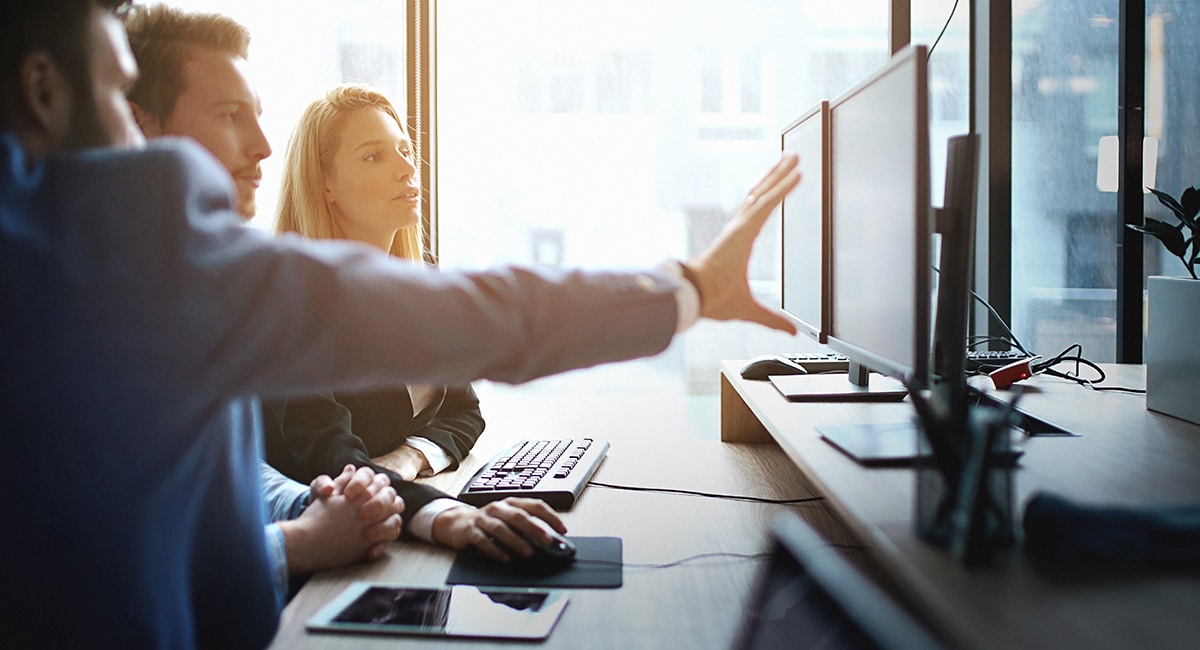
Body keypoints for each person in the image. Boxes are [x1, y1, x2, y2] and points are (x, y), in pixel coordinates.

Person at [0, 1, 799, 647]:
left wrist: (306, 532)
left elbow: (203, 465)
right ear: (42, 90)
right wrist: (687, 289)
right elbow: (467, 318)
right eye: (115, 93)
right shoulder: (131, 251)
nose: (262, 148)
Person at [120, 5, 563, 564]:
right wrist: (432, 512)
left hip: (359, 519)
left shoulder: (409, 281)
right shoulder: (273, 303)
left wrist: (406, 461)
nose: (263, 145)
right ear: (324, 185)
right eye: (376, 156)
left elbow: (464, 411)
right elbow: (323, 460)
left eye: (405, 150)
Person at [118, 3, 409, 599]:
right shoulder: (85, 310)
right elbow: (103, 564)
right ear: (138, 125)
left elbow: (234, 477)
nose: (265, 147)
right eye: (230, 116)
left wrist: (324, 507)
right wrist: (300, 540)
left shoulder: (192, 290)